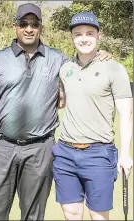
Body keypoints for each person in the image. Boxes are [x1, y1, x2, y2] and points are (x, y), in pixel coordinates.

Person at [0, 4, 111, 220]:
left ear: (41, 27)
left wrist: (99, 53)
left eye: (34, 24)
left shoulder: (58, 59)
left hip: (41, 149)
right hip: (2, 148)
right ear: (15, 26)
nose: (29, 28)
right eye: (23, 23)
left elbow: (82, 65)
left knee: (33, 215)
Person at [52, 11, 133, 220]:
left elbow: (126, 113)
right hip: (65, 152)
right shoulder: (65, 68)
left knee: (98, 215)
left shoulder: (114, 69)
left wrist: (125, 154)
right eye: (78, 34)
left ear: (99, 36)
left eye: (89, 33)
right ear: (72, 38)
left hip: (99, 153)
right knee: (71, 212)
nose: (84, 38)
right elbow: (62, 102)